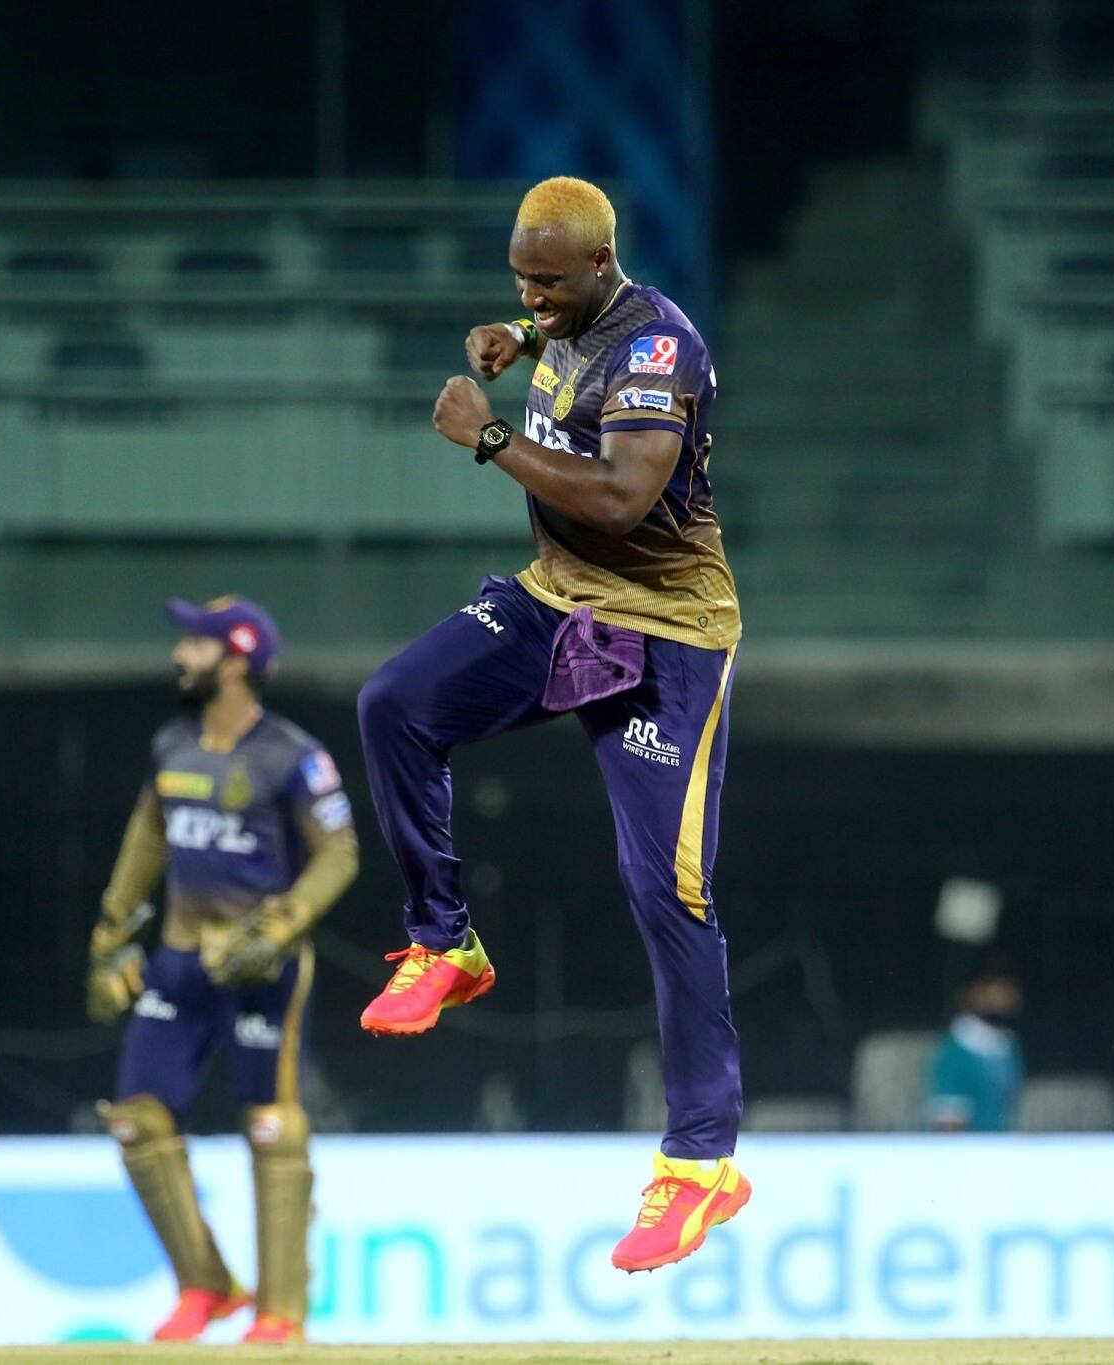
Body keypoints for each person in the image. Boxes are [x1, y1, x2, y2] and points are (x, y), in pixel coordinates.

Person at [355, 176, 747, 1273]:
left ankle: (700, 1167)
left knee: (664, 886)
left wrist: (485, 440)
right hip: (557, 601)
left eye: (543, 283)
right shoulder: (564, 318)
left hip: (666, 635)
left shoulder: (658, 347)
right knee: (394, 705)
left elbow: (621, 497)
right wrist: (519, 340)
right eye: (515, 279)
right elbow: (562, 347)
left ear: (596, 268)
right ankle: (444, 943)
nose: (527, 294)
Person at [85, 596, 358, 1343]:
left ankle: (282, 1311)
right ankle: (206, 1286)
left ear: (235, 657)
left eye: (195, 645)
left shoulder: (293, 755)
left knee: (271, 1126)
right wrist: (111, 934)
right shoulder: (172, 744)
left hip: (259, 967)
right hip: (176, 962)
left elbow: (339, 852)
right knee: (138, 1123)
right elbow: (148, 836)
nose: (181, 655)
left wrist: (283, 924)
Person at [925, 959, 1025, 1133]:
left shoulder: (1007, 1045)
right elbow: (948, 1124)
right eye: (996, 987)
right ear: (972, 992)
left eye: (1010, 988)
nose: (1006, 996)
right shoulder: (954, 1051)